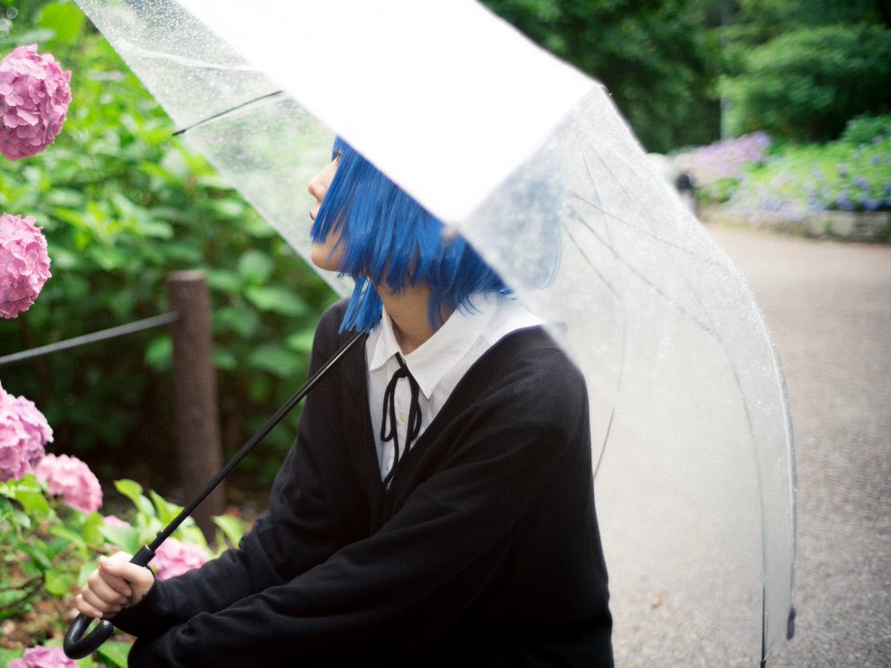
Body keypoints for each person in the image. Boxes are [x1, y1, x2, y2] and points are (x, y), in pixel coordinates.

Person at [74, 138, 613, 666]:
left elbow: (387, 591)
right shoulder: (348, 336)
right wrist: (162, 602)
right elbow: (299, 535)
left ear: (438, 207)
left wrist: (181, 652)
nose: (317, 183)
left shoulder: (532, 393)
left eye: (353, 167)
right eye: (333, 158)